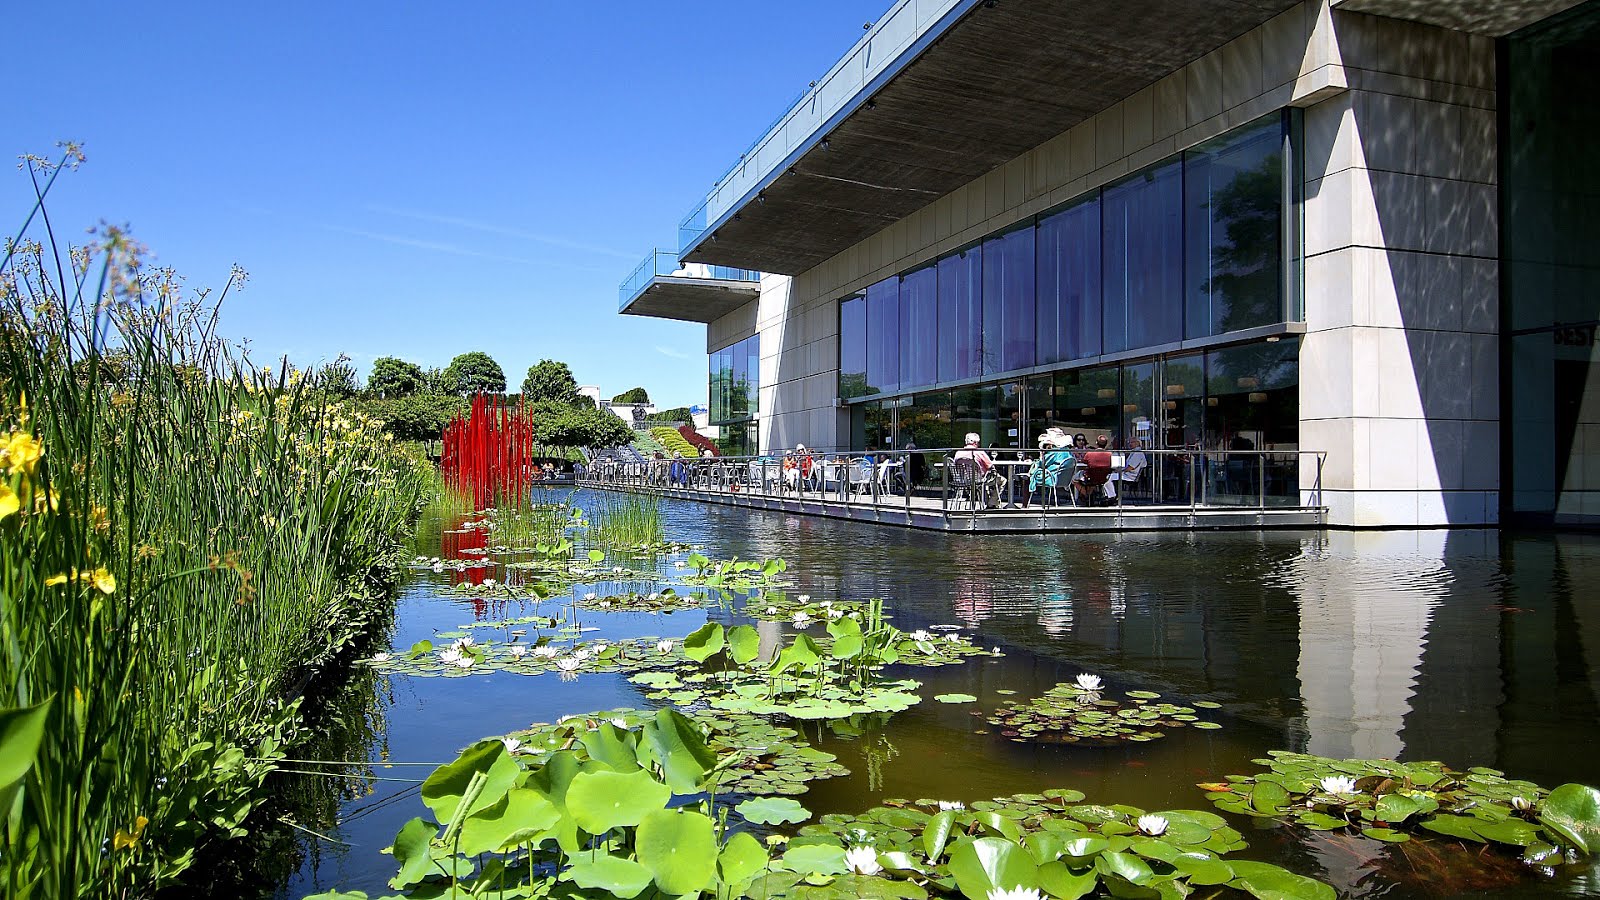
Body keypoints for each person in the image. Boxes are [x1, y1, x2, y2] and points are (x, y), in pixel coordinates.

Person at [953, 432, 1006, 507]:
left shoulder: (958, 453)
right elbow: (990, 466)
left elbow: (955, 466)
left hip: (963, 480)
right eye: (978, 442)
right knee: (1003, 480)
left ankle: (989, 504)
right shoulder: (979, 452)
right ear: (975, 442)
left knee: (982, 484)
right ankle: (991, 503)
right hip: (979, 480)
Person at [1025, 430, 1074, 506]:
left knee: (1027, 478)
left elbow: (1042, 464)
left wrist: (1040, 457)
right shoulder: (1068, 452)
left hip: (1052, 478)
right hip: (1065, 479)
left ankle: (1025, 504)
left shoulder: (1054, 452)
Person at [1077, 435, 1115, 505]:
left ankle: (1087, 496)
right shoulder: (1110, 455)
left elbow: (1083, 463)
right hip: (1104, 479)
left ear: (1096, 442)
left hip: (1090, 478)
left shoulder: (1089, 454)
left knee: (1074, 480)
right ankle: (1089, 496)